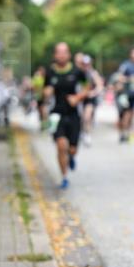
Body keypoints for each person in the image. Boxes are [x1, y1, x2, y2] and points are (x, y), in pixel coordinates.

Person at [43, 42, 90, 189]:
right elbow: (44, 91)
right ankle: (64, 177)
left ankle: (71, 156)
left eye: (64, 52)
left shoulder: (77, 72)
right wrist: (46, 92)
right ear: (55, 55)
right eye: (59, 52)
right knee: (61, 145)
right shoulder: (50, 73)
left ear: (69, 55)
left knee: (72, 149)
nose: (61, 55)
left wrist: (78, 98)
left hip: (74, 114)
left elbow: (87, 87)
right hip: (56, 115)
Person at [76, 54, 105, 147]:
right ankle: (81, 132)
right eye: (84, 63)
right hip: (79, 99)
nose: (86, 65)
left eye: (87, 63)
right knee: (79, 117)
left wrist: (92, 93)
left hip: (89, 99)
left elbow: (100, 86)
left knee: (87, 117)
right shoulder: (78, 73)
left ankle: (87, 135)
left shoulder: (93, 73)